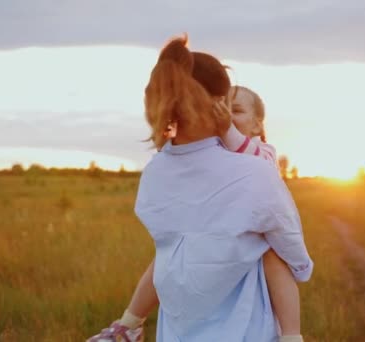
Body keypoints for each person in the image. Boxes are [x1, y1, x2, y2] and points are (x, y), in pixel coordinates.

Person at [87, 36, 313, 342]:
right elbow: (293, 253)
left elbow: (169, 255)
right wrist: (298, 266)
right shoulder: (255, 172)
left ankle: (125, 327)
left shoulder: (154, 172)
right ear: (219, 104)